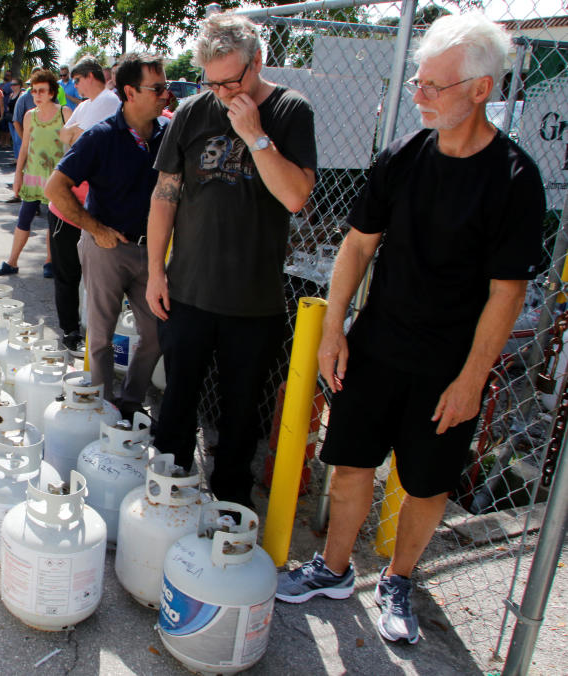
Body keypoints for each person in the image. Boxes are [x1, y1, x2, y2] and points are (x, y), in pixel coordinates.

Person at [275, 13, 544, 645]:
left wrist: (473, 379)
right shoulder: (403, 154)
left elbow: (509, 293)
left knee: (426, 482)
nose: (417, 95)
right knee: (349, 464)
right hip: (377, 345)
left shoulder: (514, 178)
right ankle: (334, 570)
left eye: (433, 86)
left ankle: (397, 579)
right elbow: (356, 247)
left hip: (450, 364)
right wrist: (335, 329)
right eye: (416, 82)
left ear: (481, 90)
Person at [146, 12, 317, 508]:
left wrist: (254, 134)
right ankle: (168, 497)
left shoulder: (289, 111)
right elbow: (165, 196)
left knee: (241, 417)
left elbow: (295, 197)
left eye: (232, 80)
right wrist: (157, 270)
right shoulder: (192, 113)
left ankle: (230, 509)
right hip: (189, 291)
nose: (222, 92)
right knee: (177, 402)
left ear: (257, 62)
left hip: (253, 300)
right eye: (212, 81)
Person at [45, 53, 167, 419]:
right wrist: (95, 229)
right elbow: (55, 187)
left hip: (153, 253)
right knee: (100, 337)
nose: (166, 94)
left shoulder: (167, 136)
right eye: (157, 88)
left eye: (166, 87)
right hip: (107, 249)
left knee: (157, 335)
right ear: (130, 92)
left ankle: (129, 405)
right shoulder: (100, 137)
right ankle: (99, 412)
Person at [47, 56, 122, 354]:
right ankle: (70, 331)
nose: (73, 86)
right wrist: (77, 135)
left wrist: (77, 135)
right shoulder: (84, 105)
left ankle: (94, 336)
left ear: (91, 76)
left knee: (96, 279)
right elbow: (66, 136)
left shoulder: (107, 101)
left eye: (76, 80)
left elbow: (79, 139)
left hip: (90, 207)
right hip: (66, 205)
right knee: (66, 274)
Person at [0, 68, 71, 278]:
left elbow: (73, 148)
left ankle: (50, 261)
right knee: (24, 218)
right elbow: (24, 147)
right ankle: (12, 262)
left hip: (55, 178)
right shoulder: (29, 116)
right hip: (33, 177)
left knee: (52, 220)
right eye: (34, 91)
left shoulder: (65, 113)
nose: (37, 95)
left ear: (52, 92)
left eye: (42, 91)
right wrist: (18, 176)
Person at [10, 78, 35, 169]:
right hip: (26, 133)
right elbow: (16, 121)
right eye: (30, 85)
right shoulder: (24, 98)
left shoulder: (52, 98)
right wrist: (25, 139)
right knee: (19, 145)